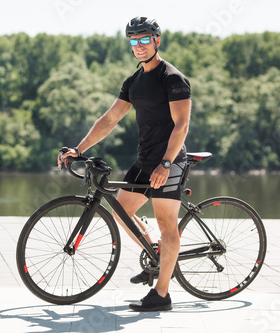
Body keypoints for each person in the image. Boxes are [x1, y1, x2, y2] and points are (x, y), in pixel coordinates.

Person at [59, 16, 191, 311]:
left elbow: (181, 125)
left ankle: (162, 294)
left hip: (169, 162)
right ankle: (155, 252)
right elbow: (109, 119)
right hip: (145, 160)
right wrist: (78, 150)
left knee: (167, 224)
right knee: (121, 211)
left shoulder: (172, 78)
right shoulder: (134, 81)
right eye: (134, 40)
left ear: (157, 40)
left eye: (145, 39)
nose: (139, 46)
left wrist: (166, 164)